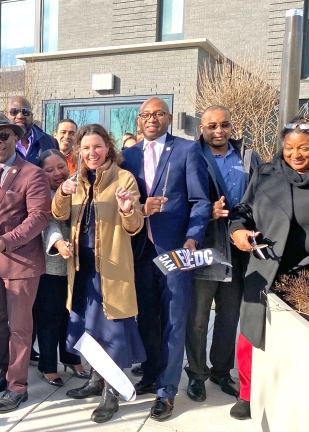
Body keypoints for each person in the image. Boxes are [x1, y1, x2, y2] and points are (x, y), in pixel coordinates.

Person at [228, 116, 309, 420]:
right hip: (268, 265)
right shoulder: (266, 174)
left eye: (304, 148)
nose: (295, 154)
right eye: (289, 148)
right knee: (251, 333)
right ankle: (247, 393)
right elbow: (243, 213)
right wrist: (237, 231)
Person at [120, 97, 211, 421]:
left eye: (158, 114)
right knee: (146, 318)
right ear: (139, 120)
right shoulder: (127, 156)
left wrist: (192, 238)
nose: (152, 119)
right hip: (140, 251)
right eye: (146, 114)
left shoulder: (187, 151)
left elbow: (201, 201)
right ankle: (152, 373)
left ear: (169, 117)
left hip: (175, 250)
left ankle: (167, 391)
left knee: (174, 320)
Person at [54, 125, 146, 423]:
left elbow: (134, 226)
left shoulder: (124, 178)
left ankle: (111, 392)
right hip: (81, 269)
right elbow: (58, 215)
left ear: (108, 147)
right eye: (85, 148)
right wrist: (61, 193)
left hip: (111, 270)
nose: (91, 153)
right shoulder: (76, 180)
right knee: (87, 329)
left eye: (97, 147)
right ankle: (95, 380)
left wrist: (128, 208)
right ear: (79, 152)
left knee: (112, 333)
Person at [0, 113, 51, 413]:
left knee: (19, 327)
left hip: (21, 263)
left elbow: (40, 216)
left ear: (17, 138)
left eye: (4, 136)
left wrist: (7, 240)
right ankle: (5, 375)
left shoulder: (33, 173)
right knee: (0, 324)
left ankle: (18, 387)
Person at [184, 106, 262, 404]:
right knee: (199, 317)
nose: (219, 131)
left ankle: (220, 370)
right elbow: (185, 196)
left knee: (229, 316)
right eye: (212, 126)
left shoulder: (248, 156)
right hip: (206, 244)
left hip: (240, 246)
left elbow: (259, 194)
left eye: (224, 125)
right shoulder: (193, 155)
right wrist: (207, 213)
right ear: (201, 128)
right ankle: (196, 374)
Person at [34, 149, 87, 388]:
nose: (57, 173)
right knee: (50, 317)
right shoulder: (41, 193)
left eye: (61, 167)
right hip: (52, 265)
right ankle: (48, 365)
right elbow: (49, 223)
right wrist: (57, 243)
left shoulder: (79, 187)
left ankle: (71, 356)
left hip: (76, 265)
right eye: (49, 169)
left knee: (72, 315)